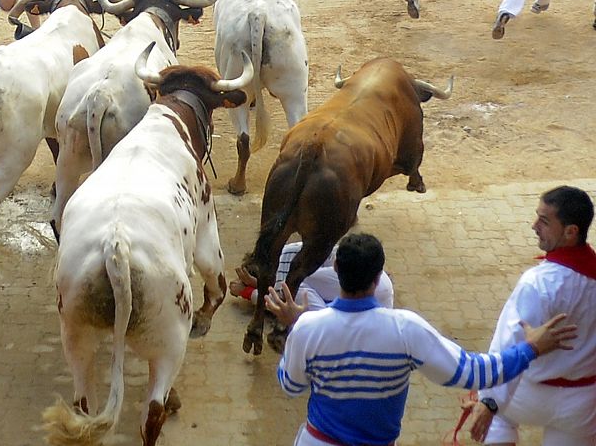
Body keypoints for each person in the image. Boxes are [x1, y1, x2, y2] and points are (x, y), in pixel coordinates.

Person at [266, 232, 578, 446]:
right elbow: (475, 371)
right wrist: (531, 348)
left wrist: (296, 327)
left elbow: (291, 386)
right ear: (378, 278)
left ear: (335, 269)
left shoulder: (309, 327)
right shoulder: (405, 329)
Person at [468, 186, 596, 445]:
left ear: (571, 232)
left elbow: (508, 343)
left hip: (529, 397)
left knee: (497, 417)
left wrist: (488, 400)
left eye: (544, 221)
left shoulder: (538, 282)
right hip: (582, 403)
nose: (534, 225)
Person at [230, 241, 395, 310]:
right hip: (380, 285)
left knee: (297, 290)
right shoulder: (291, 250)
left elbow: (283, 297)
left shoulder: (296, 267)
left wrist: (250, 290)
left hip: (368, 296)